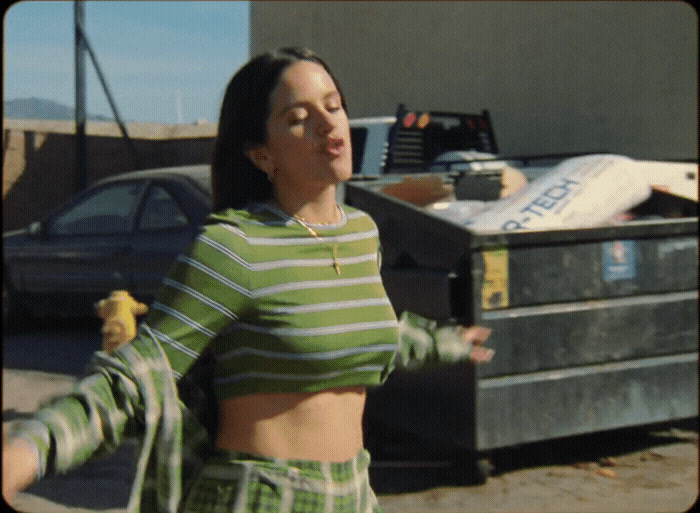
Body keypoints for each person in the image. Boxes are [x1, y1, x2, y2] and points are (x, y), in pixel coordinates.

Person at [3, 47, 493, 513]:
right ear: (261, 155)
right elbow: (136, 377)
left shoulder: (362, 233)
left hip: (353, 492)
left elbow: (363, 331)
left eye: (334, 105)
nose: (328, 123)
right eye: (299, 118)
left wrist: (446, 342)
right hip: (261, 496)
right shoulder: (235, 247)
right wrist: (26, 452)